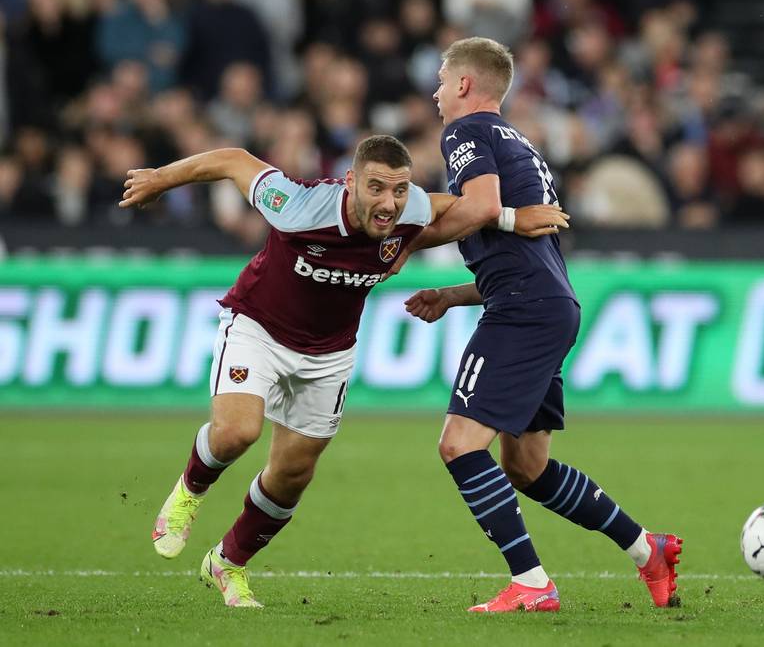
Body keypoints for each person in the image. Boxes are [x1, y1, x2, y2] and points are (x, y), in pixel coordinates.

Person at [118, 134, 568, 608]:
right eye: (376, 188)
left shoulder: (410, 209)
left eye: (399, 190)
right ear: (351, 182)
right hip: (258, 329)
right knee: (236, 433)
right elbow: (232, 160)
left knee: (293, 473)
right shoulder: (297, 205)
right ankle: (190, 491)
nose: (389, 202)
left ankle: (227, 563)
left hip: (329, 353)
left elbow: (453, 210)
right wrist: (159, 180)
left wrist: (513, 219)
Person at [399, 37, 682, 613]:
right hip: (547, 302)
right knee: (526, 467)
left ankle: (531, 582)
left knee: (458, 445)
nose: (434, 92)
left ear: (463, 85)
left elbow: (479, 209)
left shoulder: (467, 132)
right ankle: (646, 548)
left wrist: (401, 246)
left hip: (524, 309)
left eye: (440, 79)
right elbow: (521, 249)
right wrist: (454, 295)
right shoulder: (520, 143)